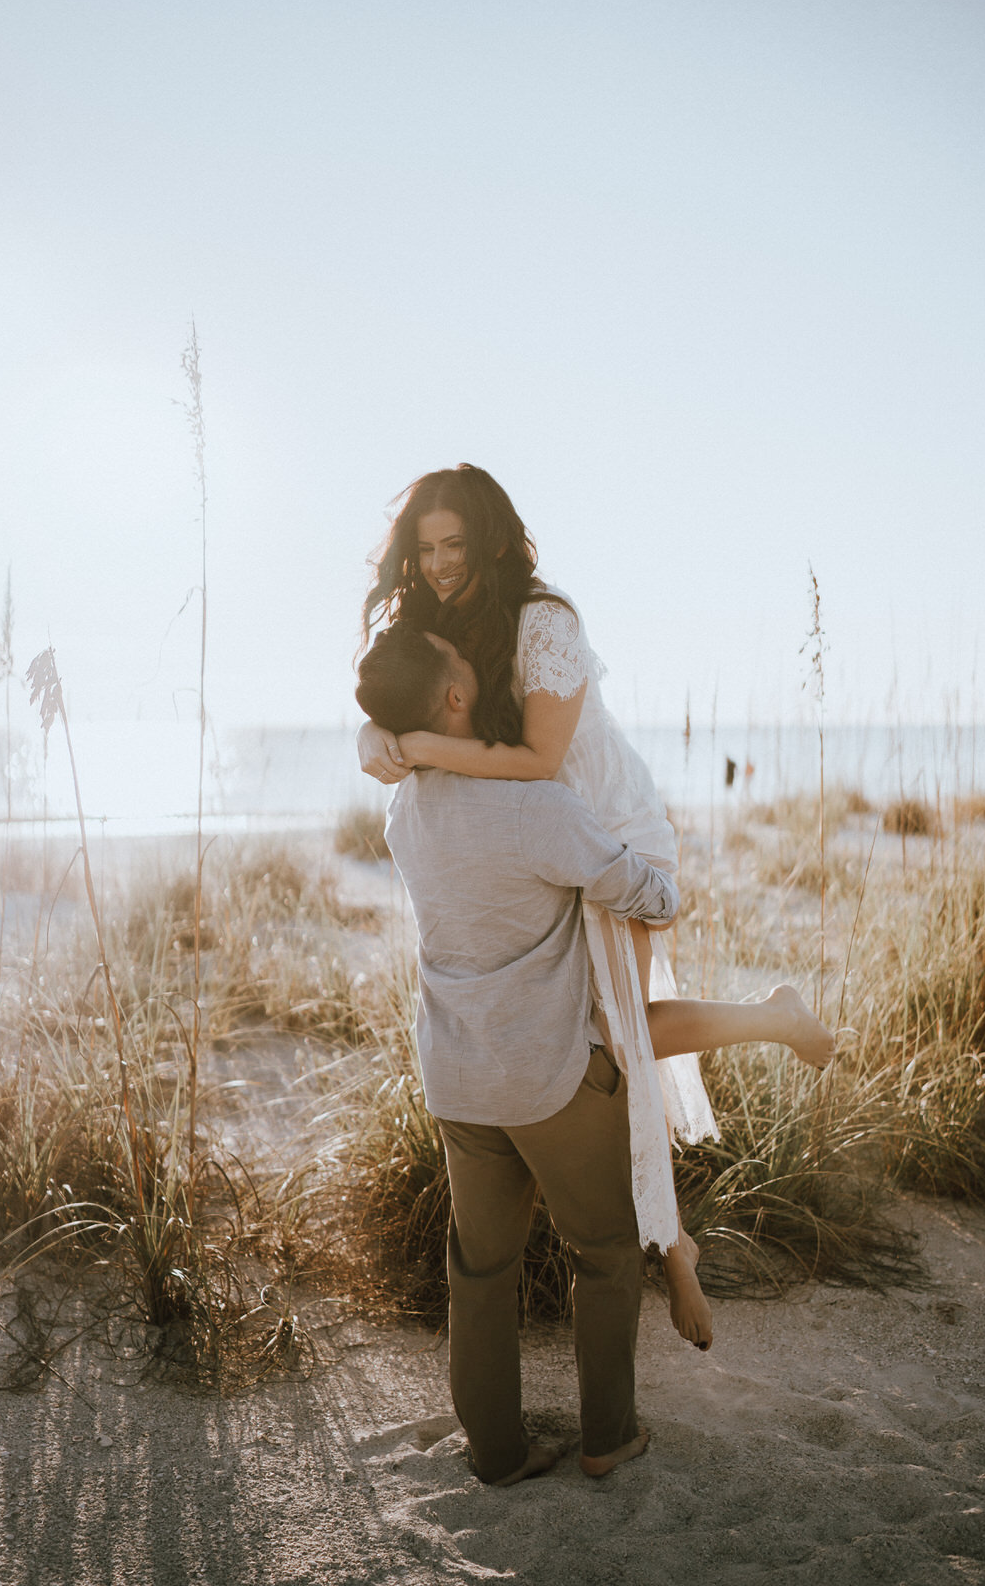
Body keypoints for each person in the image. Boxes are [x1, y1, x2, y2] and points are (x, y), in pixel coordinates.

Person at [357, 464, 836, 1349]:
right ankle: (674, 1235)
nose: (437, 564)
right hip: (539, 840)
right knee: (599, 1052)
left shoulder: (546, 620)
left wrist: (417, 742)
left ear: (495, 538)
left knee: (617, 1042)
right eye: (423, 550)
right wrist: (371, 730)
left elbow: (540, 758)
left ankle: (680, 1226)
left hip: (606, 835)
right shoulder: (433, 622)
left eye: (453, 544)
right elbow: (391, 689)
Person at [356, 622, 680, 1483]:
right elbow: (642, 892)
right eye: (467, 660)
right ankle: (607, 1436)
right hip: (550, 1075)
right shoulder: (537, 807)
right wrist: (664, 886)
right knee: (606, 1251)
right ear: (457, 697)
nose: (482, 661)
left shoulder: (403, 810)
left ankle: (494, 1452)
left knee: (479, 1267)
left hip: (457, 1074)